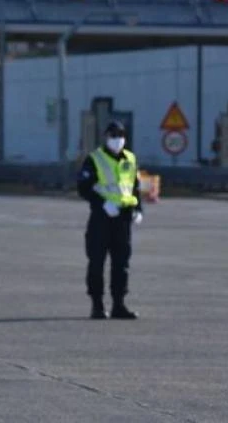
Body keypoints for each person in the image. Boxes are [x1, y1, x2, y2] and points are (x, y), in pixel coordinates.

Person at [76, 120, 143, 320]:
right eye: (113, 135)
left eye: (121, 135)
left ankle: (119, 305)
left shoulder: (130, 158)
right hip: (101, 218)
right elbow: (84, 188)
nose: (117, 139)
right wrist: (102, 204)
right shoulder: (94, 159)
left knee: (121, 263)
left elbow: (134, 187)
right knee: (97, 261)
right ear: (106, 137)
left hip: (122, 218)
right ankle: (97, 305)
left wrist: (138, 209)